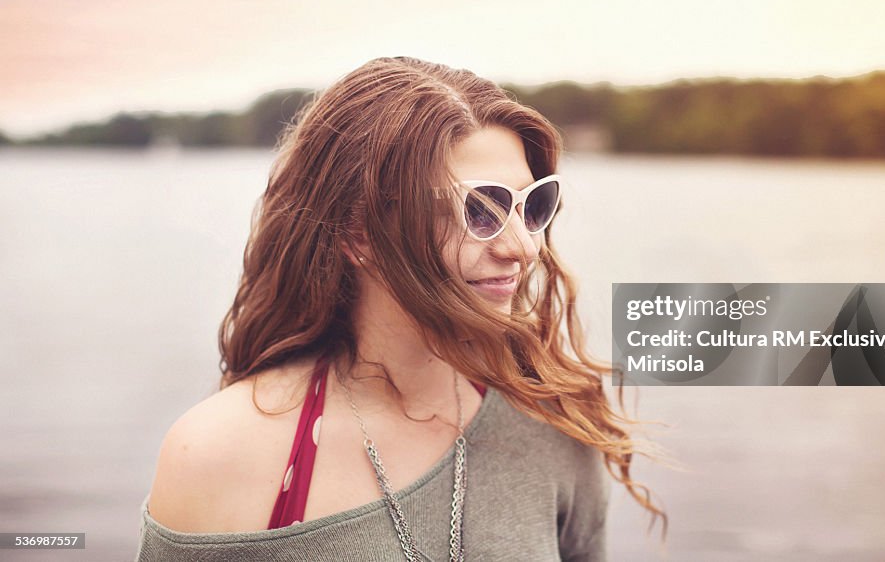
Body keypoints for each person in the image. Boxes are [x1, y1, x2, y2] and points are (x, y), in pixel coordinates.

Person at [134, 57, 662, 561]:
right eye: (478, 209)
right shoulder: (218, 454)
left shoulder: (553, 420)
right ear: (359, 233)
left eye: (533, 206)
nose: (522, 246)